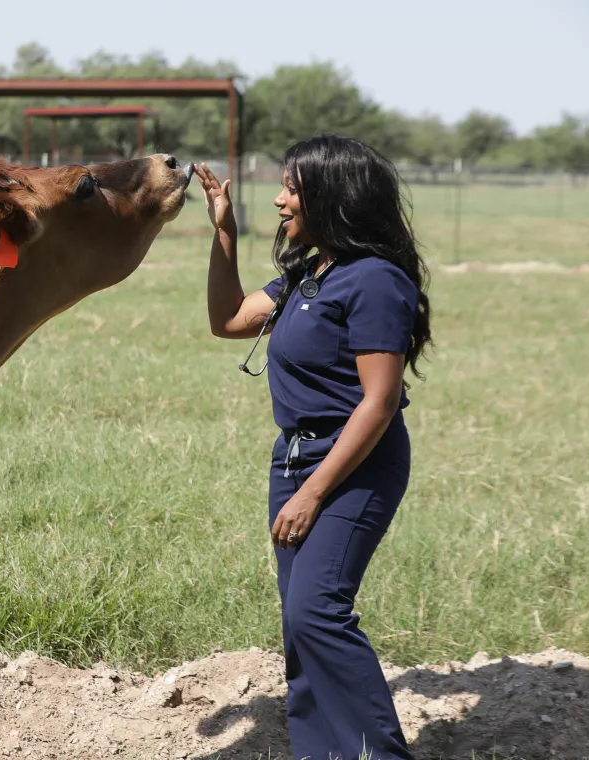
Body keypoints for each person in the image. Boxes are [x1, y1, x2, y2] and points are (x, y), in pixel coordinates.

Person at [195, 133, 432, 760]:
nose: (279, 199)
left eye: (291, 188)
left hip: (353, 466)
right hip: (294, 461)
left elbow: (378, 403)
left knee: (318, 612)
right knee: (299, 629)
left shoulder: (375, 281)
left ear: (333, 196)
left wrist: (314, 491)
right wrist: (224, 233)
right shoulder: (310, 272)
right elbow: (227, 322)